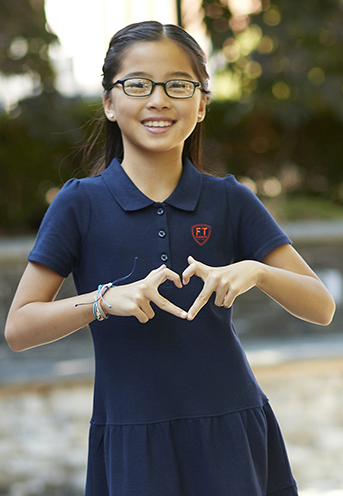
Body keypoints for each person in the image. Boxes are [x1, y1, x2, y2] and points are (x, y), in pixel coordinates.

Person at [5, 20, 335, 496]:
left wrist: (258, 271)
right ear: (109, 103)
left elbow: (321, 307)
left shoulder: (231, 200)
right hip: (132, 439)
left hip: (232, 431)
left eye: (178, 85)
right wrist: (104, 300)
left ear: (201, 104)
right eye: (138, 84)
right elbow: (19, 328)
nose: (158, 100)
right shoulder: (79, 205)